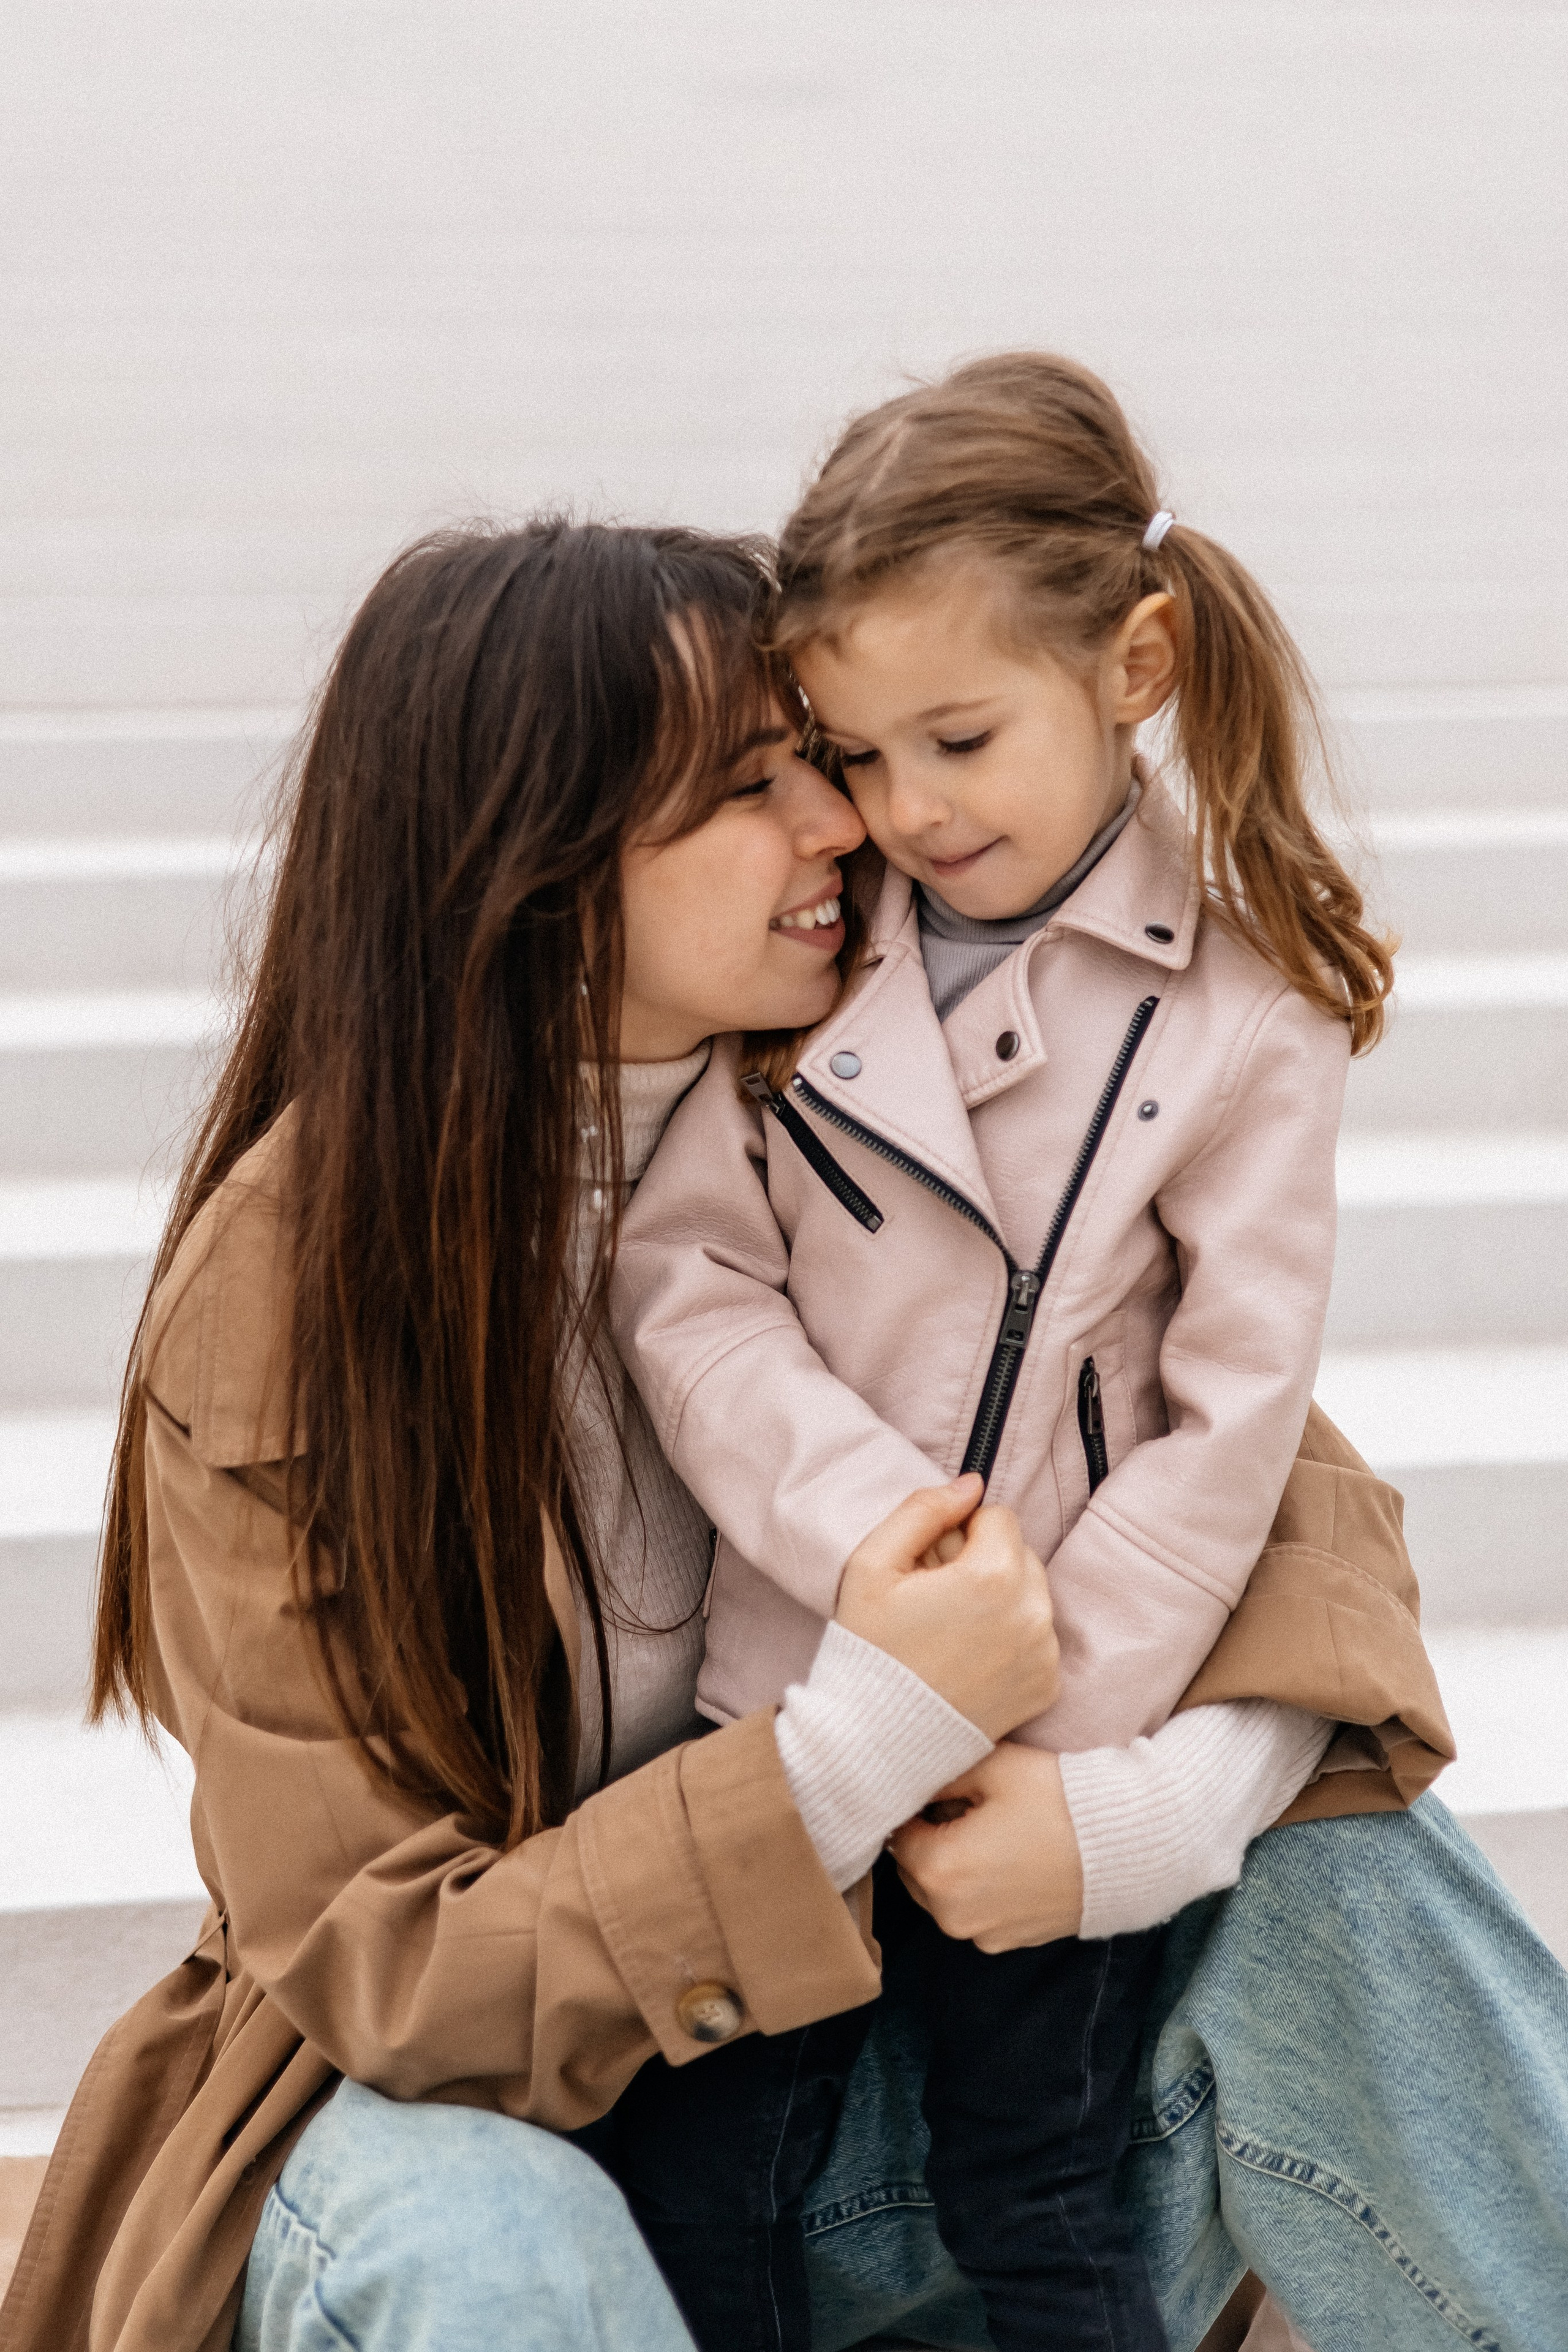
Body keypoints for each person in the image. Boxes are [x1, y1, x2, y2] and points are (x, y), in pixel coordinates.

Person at [0, 514, 1499, 2352]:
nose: (847, 825)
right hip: (452, 2136)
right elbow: (393, 1974)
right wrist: (859, 1743)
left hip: (856, 2107)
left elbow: (1282, 1510)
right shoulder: (300, 1288)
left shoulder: (862, 1098)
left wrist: (1160, 1810)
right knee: (502, 2232)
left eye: (828, 759)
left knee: (1356, 1876)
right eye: (750, 786)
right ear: (532, 861)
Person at [608, 352, 1401, 2350]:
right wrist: (880, 1545)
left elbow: (1233, 1424)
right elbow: (689, 1279)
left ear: (1134, 663)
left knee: (1041, 2195)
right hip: (787, 1713)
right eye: (858, 754)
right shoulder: (813, 949)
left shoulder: (1246, 1014)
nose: (902, 809)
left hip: (1048, 1760)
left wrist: (1053, 1708)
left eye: (957, 738)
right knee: (711, 2188)